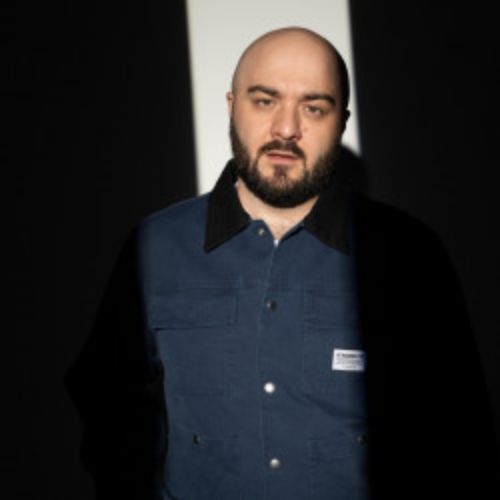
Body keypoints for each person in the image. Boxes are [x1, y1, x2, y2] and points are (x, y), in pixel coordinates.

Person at [66, 27, 498, 500]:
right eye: (265, 101)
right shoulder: (154, 246)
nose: (286, 128)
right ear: (232, 105)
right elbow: (109, 408)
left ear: (341, 122)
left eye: (314, 108)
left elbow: (459, 433)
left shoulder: (409, 254)